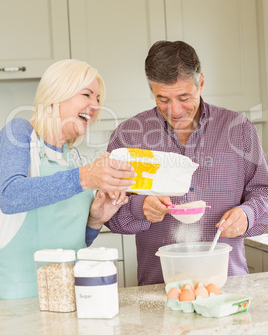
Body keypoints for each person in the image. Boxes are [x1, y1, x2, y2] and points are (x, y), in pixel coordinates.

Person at [106, 40, 268, 286]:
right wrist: (140, 207)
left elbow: (264, 192)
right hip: (158, 289)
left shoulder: (239, 130)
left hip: (227, 287)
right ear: (151, 89)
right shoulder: (128, 136)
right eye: (163, 99)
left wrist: (248, 214)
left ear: (200, 83)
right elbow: (108, 213)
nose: (174, 110)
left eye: (184, 97)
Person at [0, 59, 136, 299]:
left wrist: (95, 220)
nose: (95, 105)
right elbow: (10, 196)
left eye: (98, 100)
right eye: (87, 94)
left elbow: (76, 242)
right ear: (56, 94)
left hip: (71, 293)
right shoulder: (20, 133)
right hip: (22, 296)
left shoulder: (74, 158)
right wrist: (85, 178)